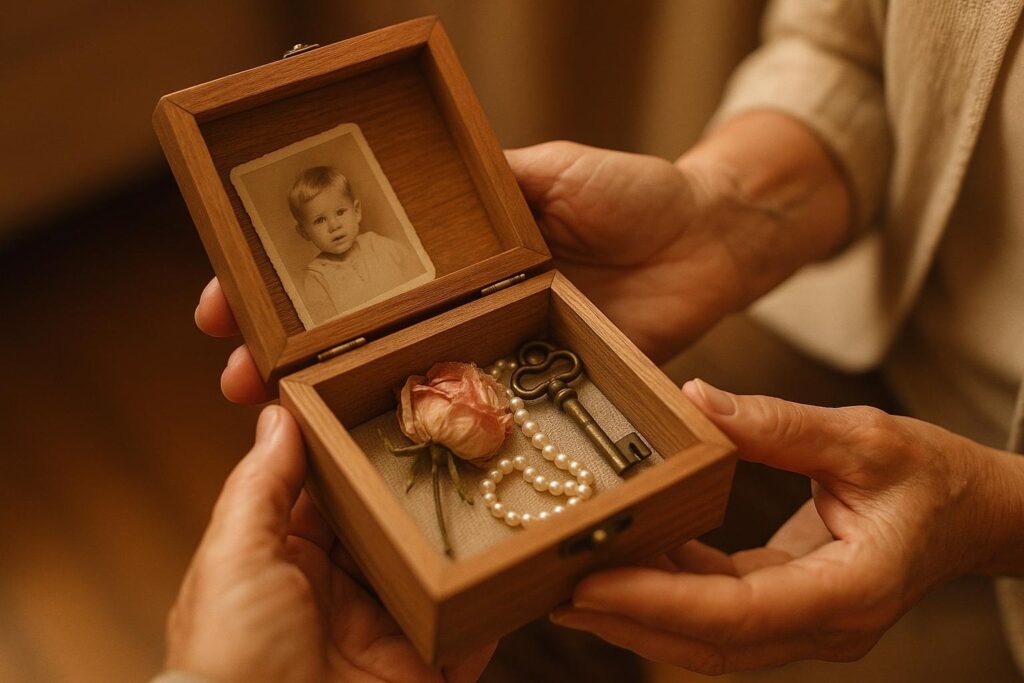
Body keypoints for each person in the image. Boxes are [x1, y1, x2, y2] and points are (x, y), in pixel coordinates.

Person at [164, 0, 1024, 678]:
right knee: (464, 619)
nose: (343, 224)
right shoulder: (320, 282)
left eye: (348, 206)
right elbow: (847, 48)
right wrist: (720, 211)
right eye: (323, 219)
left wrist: (993, 509)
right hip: (876, 310)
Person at [289, 166, 421, 324]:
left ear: (356, 211)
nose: (334, 225)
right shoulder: (317, 278)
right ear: (304, 232)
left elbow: (419, 275)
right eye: (320, 220)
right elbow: (328, 329)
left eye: (340, 212)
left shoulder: (380, 245)